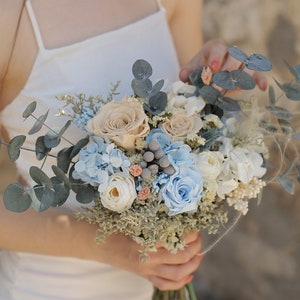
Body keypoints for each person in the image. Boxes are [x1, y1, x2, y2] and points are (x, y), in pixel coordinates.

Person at [0, 1, 267, 299]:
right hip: (48, 288)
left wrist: (212, 86)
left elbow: (191, 122)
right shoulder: (9, 19)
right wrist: (111, 246)